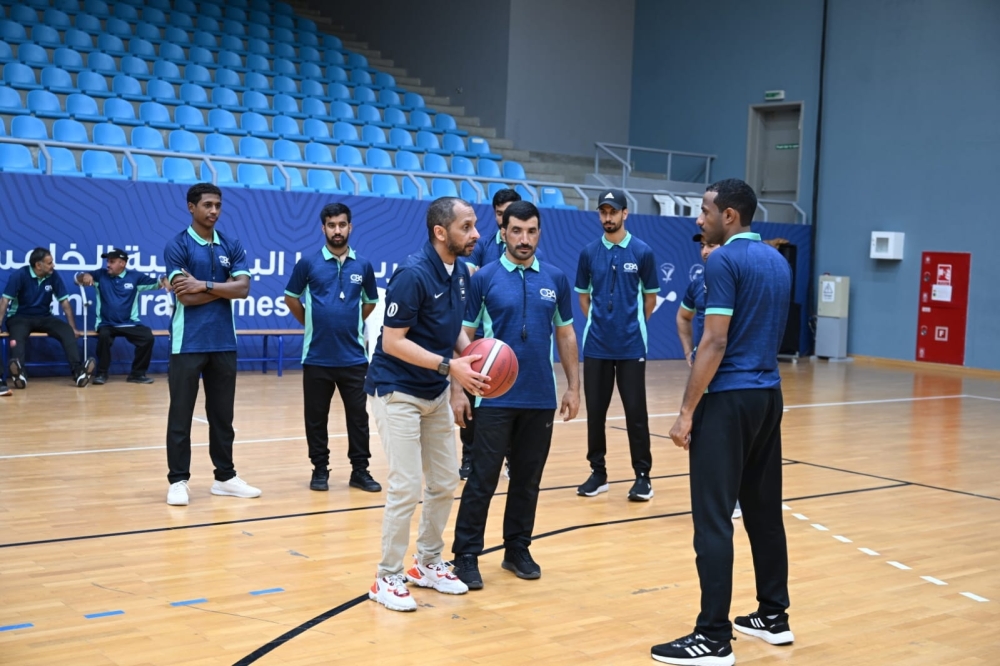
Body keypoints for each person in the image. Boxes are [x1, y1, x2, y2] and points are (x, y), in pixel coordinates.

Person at [651, 179, 793, 665]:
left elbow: (714, 341)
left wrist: (686, 411)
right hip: (768, 397)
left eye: (705, 210)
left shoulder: (723, 261)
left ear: (729, 216)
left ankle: (712, 636)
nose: (699, 219)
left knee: (712, 519)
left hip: (728, 400)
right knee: (763, 512)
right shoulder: (777, 261)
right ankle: (774, 616)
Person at [364, 196, 486, 612]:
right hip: (396, 390)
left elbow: (452, 330)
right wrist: (451, 367)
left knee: (446, 480)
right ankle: (386, 577)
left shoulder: (462, 273)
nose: (476, 234)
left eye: (474, 225)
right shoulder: (412, 275)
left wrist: (473, 359)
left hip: (433, 390)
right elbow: (392, 342)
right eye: (466, 226)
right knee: (406, 484)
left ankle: (428, 563)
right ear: (440, 232)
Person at [451, 201, 579, 590]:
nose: (525, 239)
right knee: (482, 479)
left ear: (539, 233)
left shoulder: (556, 278)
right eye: (517, 231)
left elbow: (566, 334)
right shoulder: (484, 278)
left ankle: (517, 549)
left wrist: (574, 386)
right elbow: (464, 335)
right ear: (503, 232)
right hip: (493, 397)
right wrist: (458, 390)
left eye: (532, 231)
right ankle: (466, 554)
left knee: (527, 480)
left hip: (539, 396)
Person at [163, 183, 260, 507]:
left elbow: (243, 289)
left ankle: (225, 478)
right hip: (187, 343)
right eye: (207, 205)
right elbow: (185, 297)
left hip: (223, 342)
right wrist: (223, 287)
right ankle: (178, 480)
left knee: (222, 416)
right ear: (191, 207)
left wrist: (203, 284)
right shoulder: (177, 245)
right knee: (181, 416)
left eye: (217, 205)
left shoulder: (231, 244)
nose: (214, 211)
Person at [284, 203, 382, 493]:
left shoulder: (363, 265)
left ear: (350, 227)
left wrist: (350, 321)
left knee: (358, 418)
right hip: (317, 357)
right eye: (331, 225)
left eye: (341, 225)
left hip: (353, 358)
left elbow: (370, 302)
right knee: (316, 418)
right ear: (323, 228)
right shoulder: (308, 264)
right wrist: (312, 322)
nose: (337, 230)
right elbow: (291, 298)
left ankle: (360, 471)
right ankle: (319, 469)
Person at [574, 189, 660, 501]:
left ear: (625, 213)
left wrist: (630, 325)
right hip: (596, 346)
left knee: (636, 413)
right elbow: (583, 297)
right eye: (603, 212)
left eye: (613, 211)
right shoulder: (588, 253)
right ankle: (598, 473)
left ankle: (643, 476)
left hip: (631, 346)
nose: (608, 217)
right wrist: (601, 324)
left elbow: (650, 299)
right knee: (595, 413)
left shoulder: (642, 252)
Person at [458, 188, 525, 480]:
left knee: (510, 401)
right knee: (473, 401)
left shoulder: (528, 247)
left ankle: (511, 457)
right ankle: (469, 457)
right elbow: (469, 279)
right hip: (481, 341)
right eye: (499, 214)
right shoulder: (482, 245)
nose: (504, 219)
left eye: (509, 212)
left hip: (513, 337)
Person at [677, 234, 742, 521]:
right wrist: (689, 351)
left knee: (729, 439)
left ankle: (734, 498)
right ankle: (713, 500)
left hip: (730, 374)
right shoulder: (697, 284)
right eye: (702, 246)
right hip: (704, 374)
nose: (705, 251)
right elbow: (683, 317)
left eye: (711, 245)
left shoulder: (736, 280)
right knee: (703, 438)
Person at [0, 247, 96, 395]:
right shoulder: (19, 275)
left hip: (45, 317)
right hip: (20, 317)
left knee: (66, 331)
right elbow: (5, 301)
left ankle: (78, 372)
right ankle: (20, 374)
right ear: (38, 265)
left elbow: (65, 303)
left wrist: (73, 327)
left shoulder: (53, 275)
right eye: (50, 263)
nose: (53, 265)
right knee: (17, 337)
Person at [74, 248, 170, 385]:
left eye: (112, 262)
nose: (108, 265)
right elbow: (77, 279)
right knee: (104, 336)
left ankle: (137, 374)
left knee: (147, 337)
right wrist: (84, 275)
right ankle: (101, 374)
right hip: (106, 323)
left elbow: (157, 283)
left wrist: (165, 279)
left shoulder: (135, 277)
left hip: (130, 323)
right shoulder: (100, 275)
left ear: (122, 263)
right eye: (107, 261)